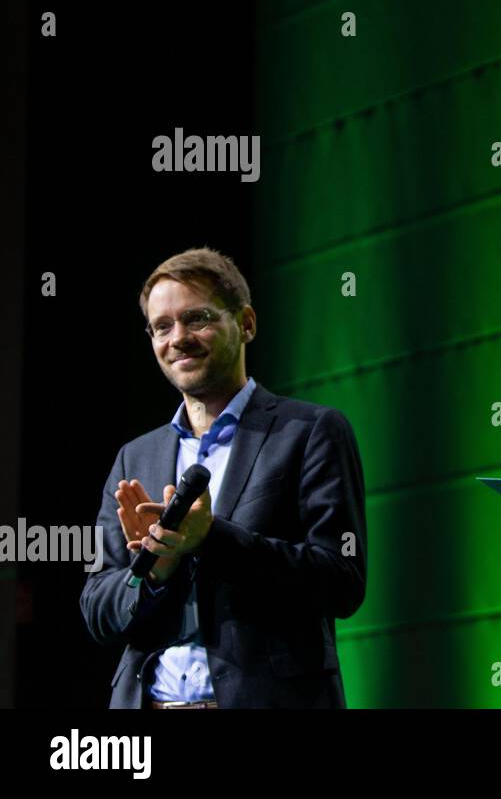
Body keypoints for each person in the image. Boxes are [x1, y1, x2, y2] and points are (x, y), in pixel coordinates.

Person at [80, 247, 367, 708]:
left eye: (197, 319)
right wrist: (155, 571)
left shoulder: (310, 432)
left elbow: (342, 581)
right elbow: (98, 609)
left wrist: (211, 539)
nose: (178, 338)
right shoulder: (135, 458)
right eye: (161, 326)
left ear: (247, 323)